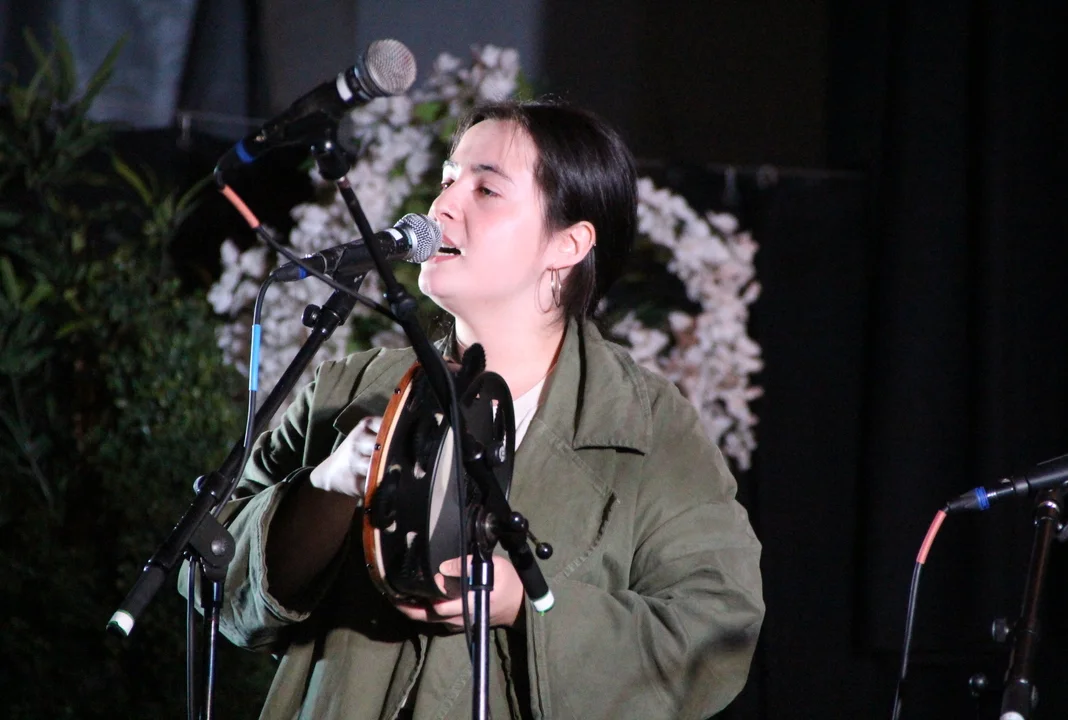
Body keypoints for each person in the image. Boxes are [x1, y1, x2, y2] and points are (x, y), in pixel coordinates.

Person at [195, 99, 764, 719]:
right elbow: (206, 577)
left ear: (569, 243)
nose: (441, 207)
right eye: (446, 181)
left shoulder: (647, 427)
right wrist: (325, 488)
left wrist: (524, 604)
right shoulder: (347, 389)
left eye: (486, 189)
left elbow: (716, 633)